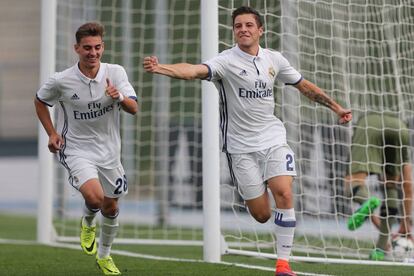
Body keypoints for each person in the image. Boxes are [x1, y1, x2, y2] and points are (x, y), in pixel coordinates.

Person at [143, 6, 351, 276]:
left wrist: (336, 108)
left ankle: (283, 264)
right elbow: (194, 71)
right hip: (240, 148)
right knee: (262, 214)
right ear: (234, 31)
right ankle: (263, 193)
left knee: (285, 193)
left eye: (249, 25)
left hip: (272, 138)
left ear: (260, 30)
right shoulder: (225, 61)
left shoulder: (273, 60)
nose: (243, 29)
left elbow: (303, 85)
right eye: (238, 25)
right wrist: (162, 68)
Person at [35, 22, 138, 275]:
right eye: (87, 48)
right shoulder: (61, 80)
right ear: (77, 49)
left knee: (111, 208)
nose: (93, 53)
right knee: (95, 198)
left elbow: (134, 108)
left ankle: (104, 257)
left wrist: (119, 97)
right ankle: (89, 222)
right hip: (76, 149)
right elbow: (40, 101)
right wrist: (51, 133)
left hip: (110, 152)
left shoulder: (115, 72)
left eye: (97, 47)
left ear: (103, 47)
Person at [346, 112, 412, 261]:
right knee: (391, 186)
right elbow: (407, 185)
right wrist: (406, 224)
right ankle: (380, 249)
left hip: (369, 122)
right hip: (399, 127)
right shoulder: (403, 123)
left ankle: (365, 201)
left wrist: (370, 212)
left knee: (352, 181)